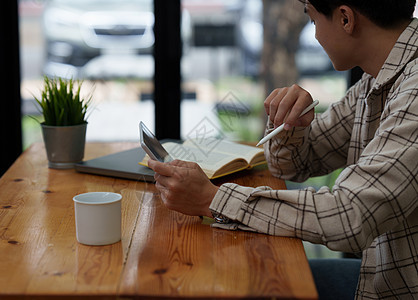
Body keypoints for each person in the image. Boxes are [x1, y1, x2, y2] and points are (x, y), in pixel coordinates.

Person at [148, 0, 418, 299]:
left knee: (245, 284)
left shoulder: (414, 92)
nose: (315, 35)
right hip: (377, 274)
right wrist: (292, 127)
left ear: (345, 19)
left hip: (393, 288)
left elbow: (348, 216)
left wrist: (212, 199)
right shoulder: (378, 78)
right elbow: (295, 166)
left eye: (313, 21)